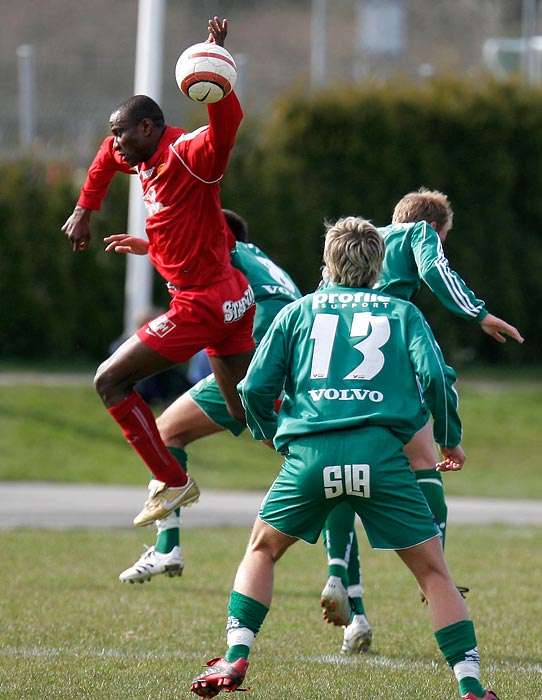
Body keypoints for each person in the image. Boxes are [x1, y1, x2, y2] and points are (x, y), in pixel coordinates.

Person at [189, 216, 499, 700]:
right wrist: (450, 438)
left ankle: (234, 656)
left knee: (263, 550)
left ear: (327, 263)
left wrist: (269, 434)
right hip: (380, 458)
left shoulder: (300, 311)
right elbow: (436, 378)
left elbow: (252, 386)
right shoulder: (401, 312)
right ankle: (472, 687)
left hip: (311, 456)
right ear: (378, 266)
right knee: (435, 574)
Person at [61, 18, 256, 528]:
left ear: (147, 127)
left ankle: (172, 481)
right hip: (233, 297)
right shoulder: (140, 157)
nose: (115, 143)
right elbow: (107, 158)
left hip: (202, 304)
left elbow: (226, 129)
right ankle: (338, 455)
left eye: (121, 131)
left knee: (110, 382)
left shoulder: (188, 154)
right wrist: (86, 207)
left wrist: (216, 76)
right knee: (250, 414)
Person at [319, 187, 524, 654]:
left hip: (333, 372)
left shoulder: (358, 244)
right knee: (426, 458)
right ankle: (437, 576)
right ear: (435, 228)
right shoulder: (419, 235)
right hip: (386, 356)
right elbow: (437, 272)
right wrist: (479, 312)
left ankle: (344, 589)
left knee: (337, 475)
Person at [117, 209, 301, 583]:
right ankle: (344, 580)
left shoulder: (226, 262)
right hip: (291, 358)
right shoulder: (257, 260)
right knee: (320, 460)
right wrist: (154, 249)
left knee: (166, 432)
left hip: (257, 359)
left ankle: (168, 548)